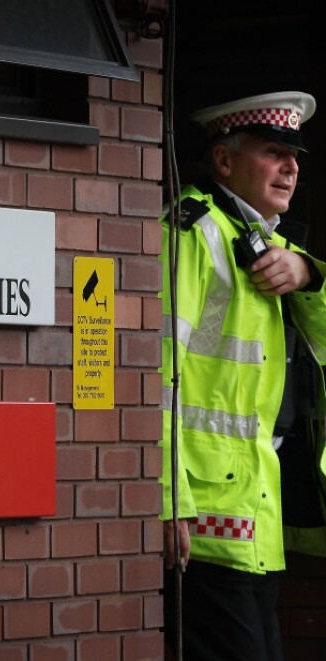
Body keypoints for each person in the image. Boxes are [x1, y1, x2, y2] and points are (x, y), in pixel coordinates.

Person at [160, 91, 326, 661]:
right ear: (225, 162)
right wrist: (167, 495)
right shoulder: (194, 231)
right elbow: (157, 372)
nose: (292, 167)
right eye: (275, 152)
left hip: (256, 513)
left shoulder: (271, 241)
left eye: (295, 156)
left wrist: (310, 274)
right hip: (205, 516)